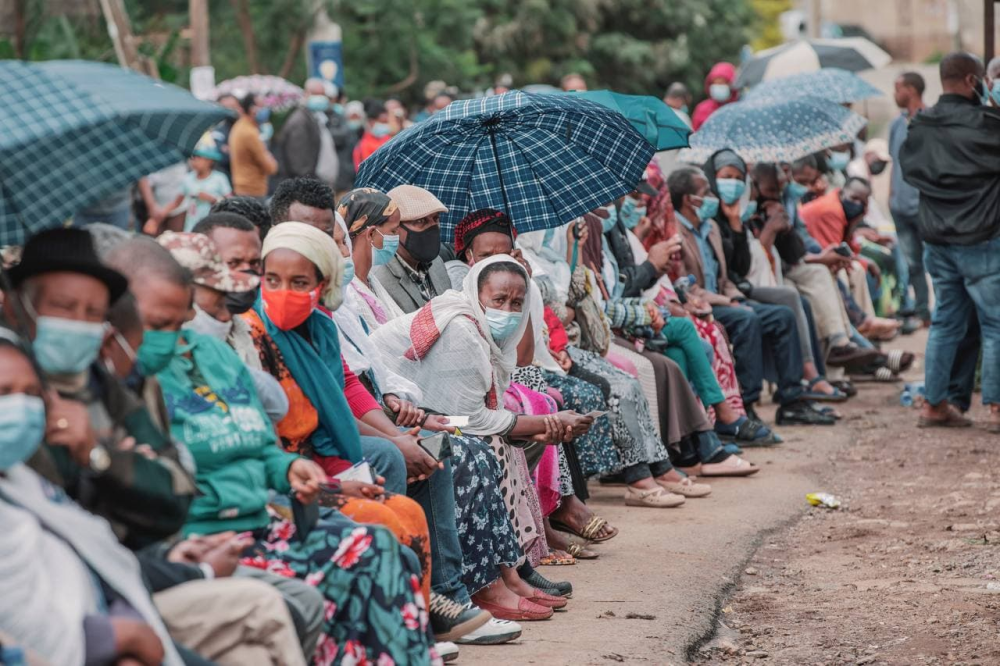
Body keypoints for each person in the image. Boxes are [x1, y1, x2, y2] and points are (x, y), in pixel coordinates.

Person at [107, 235, 440, 664]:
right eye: (157, 324)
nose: (172, 338)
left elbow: (265, 446)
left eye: (178, 321)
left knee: (379, 548)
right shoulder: (125, 381)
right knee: (360, 553)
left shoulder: (213, 353)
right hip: (211, 537)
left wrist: (288, 471)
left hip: (265, 519)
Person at [1, 228, 197, 549]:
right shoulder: (8, 383)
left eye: (94, 313)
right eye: (63, 306)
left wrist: (99, 455)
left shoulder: (101, 384)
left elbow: (175, 495)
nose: (79, 322)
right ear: (15, 306)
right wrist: (127, 462)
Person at [0, 330, 182, 666]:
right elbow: (20, 629)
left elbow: (102, 550)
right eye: (3, 393)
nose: (18, 408)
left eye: (30, 394)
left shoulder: (21, 479)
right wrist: (119, 637)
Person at [668, 167, 834, 426]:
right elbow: (683, 286)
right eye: (706, 192)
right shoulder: (674, 232)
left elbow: (726, 278)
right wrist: (729, 302)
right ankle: (747, 403)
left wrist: (734, 297)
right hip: (699, 304)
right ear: (690, 199)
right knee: (747, 320)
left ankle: (792, 401)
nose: (713, 195)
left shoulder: (710, 227)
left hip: (723, 296)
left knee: (782, 315)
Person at [899, 51, 1000, 432]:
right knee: (995, 324)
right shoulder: (987, 124)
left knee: (944, 322)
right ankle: (996, 407)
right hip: (982, 239)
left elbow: (911, 172)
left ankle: (934, 404)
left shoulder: (920, 124)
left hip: (937, 241)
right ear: (974, 81)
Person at [889, 71, 930, 325]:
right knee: (912, 263)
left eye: (898, 89)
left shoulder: (930, 120)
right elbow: (894, 161)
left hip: (924, 207)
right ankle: (923, 311)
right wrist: (891, 196)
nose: (895, 94)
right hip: (900, 208)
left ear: (911, 90)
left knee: (934, 262)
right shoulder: (896, 124)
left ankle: (939, 312)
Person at [373, 184, 453, 313]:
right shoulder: (379, 279)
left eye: (435, 219)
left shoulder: (437, 263)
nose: (432, 227)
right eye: (420, 221)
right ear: (395, 228)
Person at [145, 135, 232, 235]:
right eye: (193, 157)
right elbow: (175, 203)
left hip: (213, 226)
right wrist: (155, 220)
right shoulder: (188, 179)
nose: (194, 161)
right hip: (191, 227)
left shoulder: (219, 179)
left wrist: (213, 199)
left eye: (199, 157)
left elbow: (230, 201)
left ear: (210, 160)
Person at [276, 78, 340, 187]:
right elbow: (299, 163)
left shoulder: (313, 117)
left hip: (319, 183)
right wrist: (311, 184)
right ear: (306, 93)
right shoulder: (300, 121)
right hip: (309, 187)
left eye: (323, 95)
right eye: (317, 94)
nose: (321, 98)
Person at [229, 93, 278, 198]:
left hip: (242, 187)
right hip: (252, 189)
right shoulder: (250, 133)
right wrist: (271, 159)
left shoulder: (240, 125)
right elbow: (270, 167)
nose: (265, 109)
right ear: (252, 109)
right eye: (262, 106)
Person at [692, 62, 736, 130]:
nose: (718, 86)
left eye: (722, 83)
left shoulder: (738, 108)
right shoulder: (702, 109)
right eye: (715, 83)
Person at [353, 99, 394, 170]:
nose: (385, 126)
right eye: (382, 122)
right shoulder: (363, 146)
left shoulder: (388, 139)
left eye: (386, 122)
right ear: (371, 122)